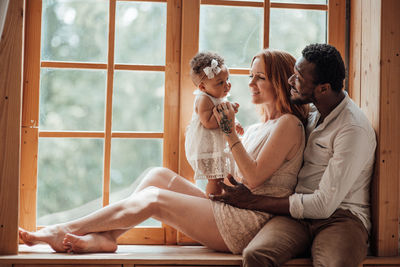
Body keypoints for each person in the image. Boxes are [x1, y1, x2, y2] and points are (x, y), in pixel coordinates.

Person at [18, 49, 308, 255]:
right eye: (251, 75)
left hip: (248, 223)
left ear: (280, 82)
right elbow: (235, 169)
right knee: (157, 176)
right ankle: (106, 238)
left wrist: (229, 131)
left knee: (155, 198)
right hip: (231, 207)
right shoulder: (261, 126)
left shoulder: (289, 124)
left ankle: (66, 229)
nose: (250, 83)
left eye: (260, 77)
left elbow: (255, 178)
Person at [211, 43, 377, 267]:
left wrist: (253, 201)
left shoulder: (352, 129)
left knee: (333, 264)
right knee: (255, 255)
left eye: (298, 78)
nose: (290, 81)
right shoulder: (311, 113)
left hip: (341, 217)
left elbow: (323, 206)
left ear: (323, 89)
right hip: (297, 217)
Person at [185, 51, 243, 196]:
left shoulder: (219, 96)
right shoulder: (204, 99)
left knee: (221, 177)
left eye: (227, 79)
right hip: (206, 147)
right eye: (220, 83)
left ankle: (217, 199)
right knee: (215, 180)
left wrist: (235, 122)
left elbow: (225, 117)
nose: (227, 85)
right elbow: (209, 123)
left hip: (216, 145)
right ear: (203, 88)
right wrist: (227, 112)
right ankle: (211, 202)